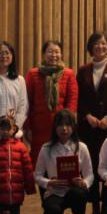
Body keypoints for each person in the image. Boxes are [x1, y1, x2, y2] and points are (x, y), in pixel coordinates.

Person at [76, 31, 107, 214]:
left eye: (104, 43)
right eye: (96, 43)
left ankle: (106, 208)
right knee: (92, 165)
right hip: (88, 127)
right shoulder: (83, 70)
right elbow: (79, 97)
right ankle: (95, 207)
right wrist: (87, 115)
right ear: (90, 47)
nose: (100, 47)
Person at [34, 109, 93, 214]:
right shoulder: (46, 149)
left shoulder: (81, 147)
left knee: (80, 195)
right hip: (54, 192)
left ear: (73, 127)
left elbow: (90, 174)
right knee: (52, 207)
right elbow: (37, 175)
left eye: (68, 125)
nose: (64, 129)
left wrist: (84, 182)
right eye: (60, 125)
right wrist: (49, 182)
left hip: (74, 190)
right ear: (55, 127)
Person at [24, 39, 78, 168]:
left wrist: (67, 123)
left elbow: (72, 99)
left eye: (57, 52)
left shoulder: (68, 74)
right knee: (39, 160)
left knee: (61, 159)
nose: (54, 55)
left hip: (61, 125)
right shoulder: (33, 74)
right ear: (43, 54)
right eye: (50, 52)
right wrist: (27, 126)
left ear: (61, 54)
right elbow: (26, 102)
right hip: (39, 125)